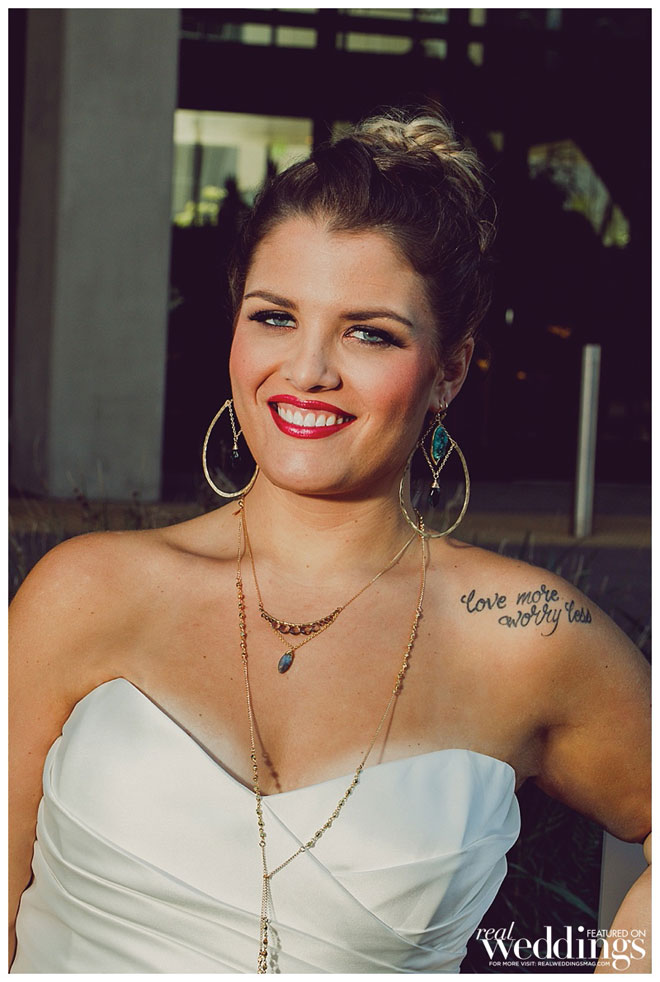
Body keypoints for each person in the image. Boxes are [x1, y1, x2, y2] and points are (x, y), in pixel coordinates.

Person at [9, 108, 650, 974]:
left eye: (369, 333)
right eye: (274, 317)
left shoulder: (526, 636)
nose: (307, 370)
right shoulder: (84, 592)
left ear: (450, 370)